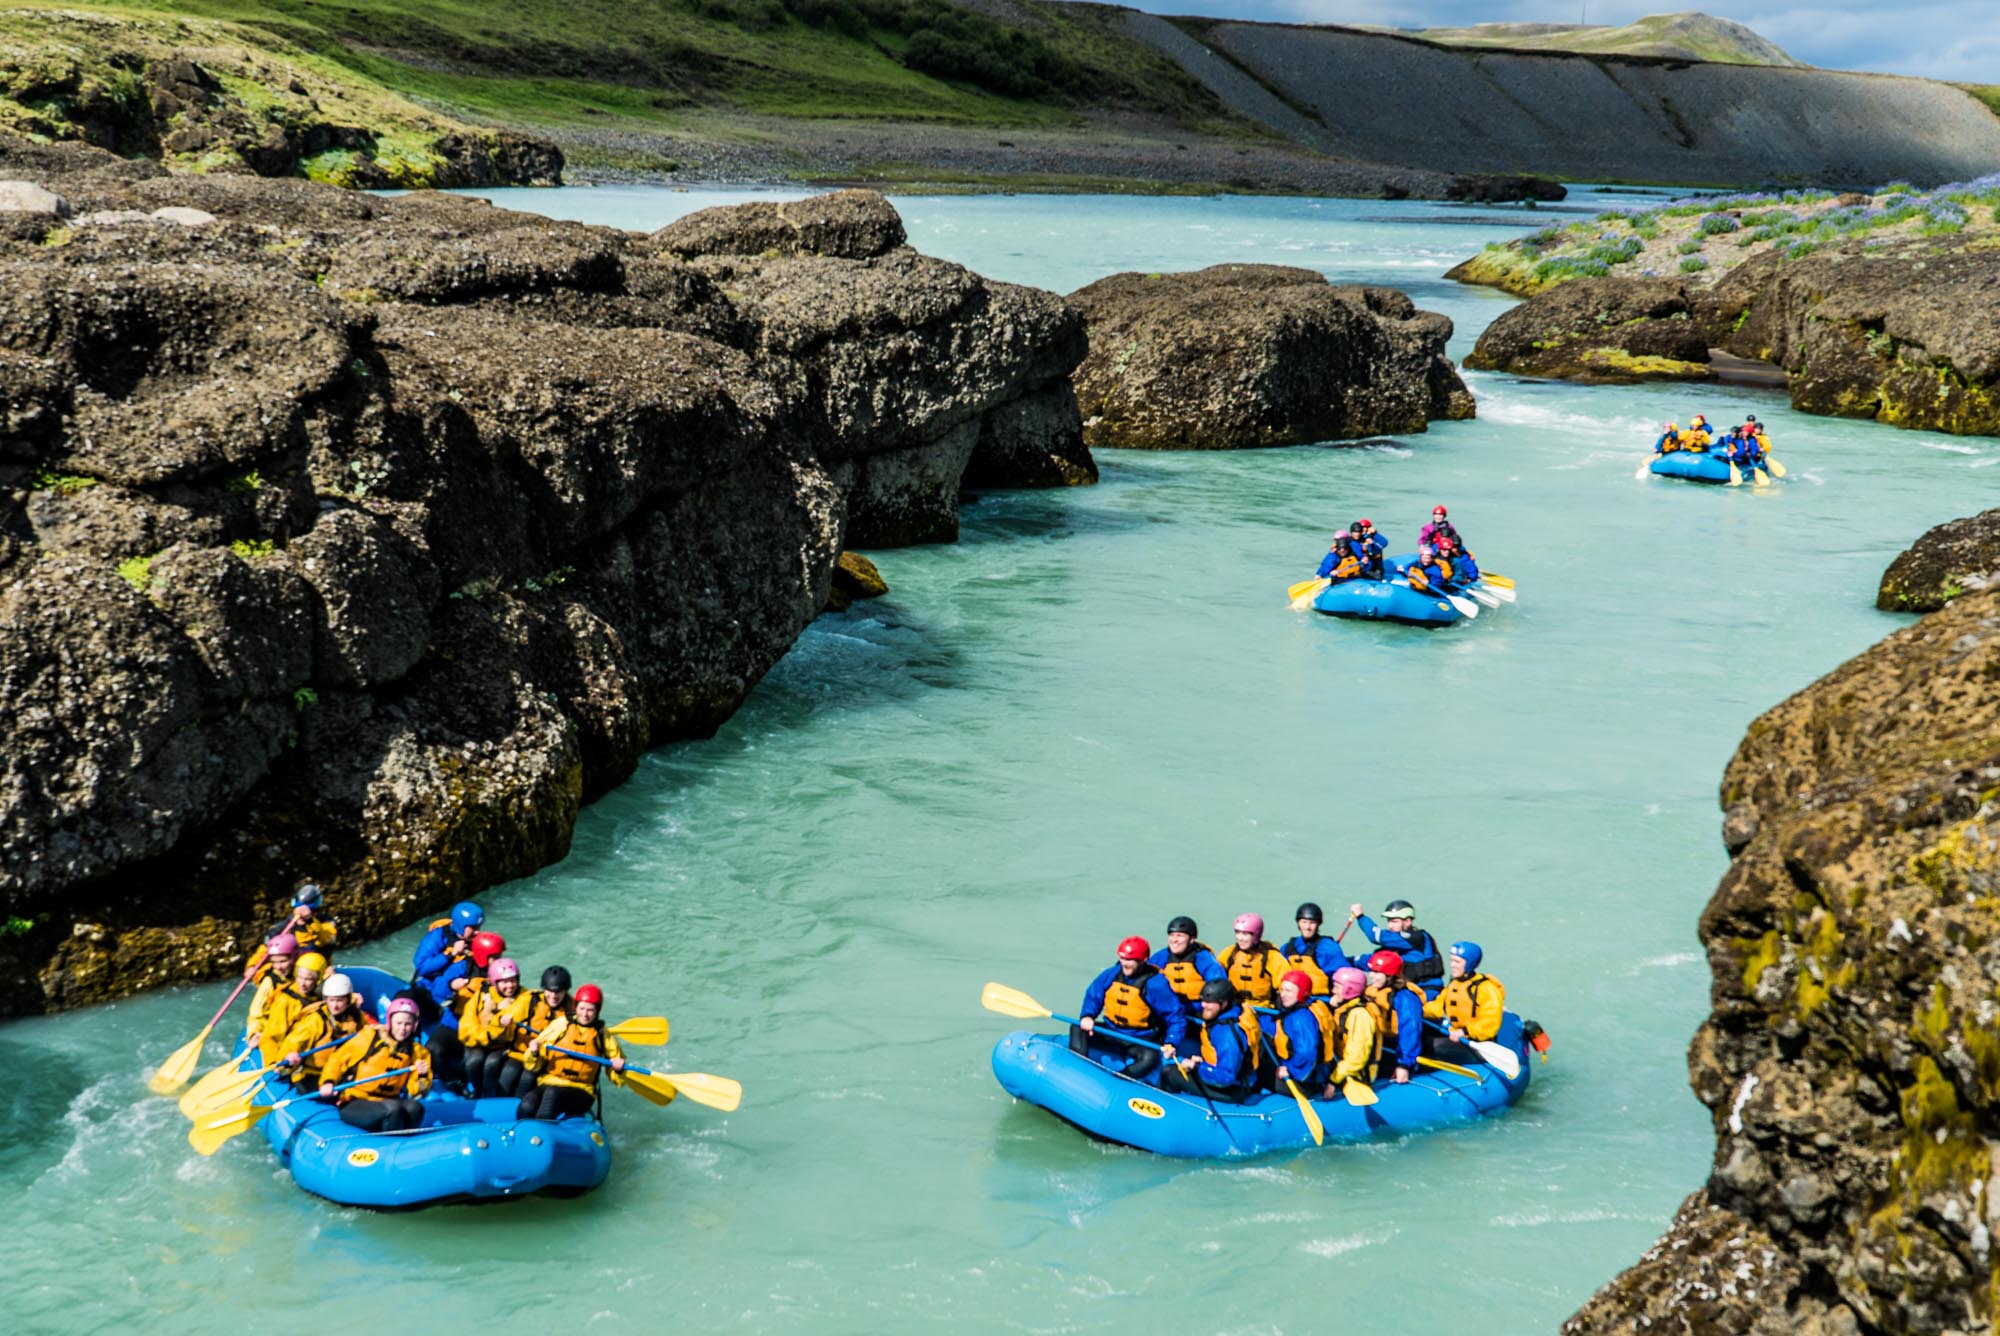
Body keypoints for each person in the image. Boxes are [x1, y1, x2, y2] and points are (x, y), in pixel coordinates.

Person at [1074, 936, 1186, 1080]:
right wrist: (1088, 1016)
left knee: (1149, 1057)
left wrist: (1172, 1041)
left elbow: (1176, 1017)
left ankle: (1119, 1080)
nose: (1124, 964)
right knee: (1077, 1028)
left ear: (1143, 960)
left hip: (1139, 1039)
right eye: (1122, 958)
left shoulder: (1155, 984)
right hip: (1111, 1033)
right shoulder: (1111, 974)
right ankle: (1077, 1069)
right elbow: (1093, 995)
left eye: (1130, 960)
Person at [320, 995, 433, 1133]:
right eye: (399, 1023)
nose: (403, 1029)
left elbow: (417, 1093)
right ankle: (389, 1146)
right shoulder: (369, 1037)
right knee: (393, 1110)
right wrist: (328, 1081)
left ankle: (405, 1145)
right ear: (390, 1022)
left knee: (415, 1108)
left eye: (407, 1024)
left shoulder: (418, 1052)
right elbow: (337, 1059)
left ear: (414, 1025)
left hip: (387, 1101)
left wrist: (422, 1076)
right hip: (355, 1101)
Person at [520, 983, 626, 1122]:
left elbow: (619, 1080)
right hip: (550, 1082)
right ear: (576, 1007)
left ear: (597, 1011)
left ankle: (542, 1136)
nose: (585, 1014)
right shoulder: (561, 1024)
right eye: (581, 1008)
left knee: (552, 1094)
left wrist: (618, 1070)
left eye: (590, 1010)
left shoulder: (602, 1035)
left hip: (582, 1091)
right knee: (528, 1103)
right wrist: (534, 1053)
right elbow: (532, 1065)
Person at [424, 929, 506, 1092]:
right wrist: (451, 987)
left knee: (475, 1059)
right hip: (455, 1024)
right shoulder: (461, 968)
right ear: (483, 956)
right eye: (495, 957)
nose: (499, 960)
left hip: (483, 1029)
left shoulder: (503, 972)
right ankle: (453, 1081)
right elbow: (437, 992)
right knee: (433, 1049)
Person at [1161, 980, 1259, 1102]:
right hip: (1232, 1076)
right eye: (1203, 1001)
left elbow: (1226, 1077)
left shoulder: (1226, 1034)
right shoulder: (1231, 1014)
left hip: (1232, 1088)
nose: (1203, 1005)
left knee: (1169, 1073)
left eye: (1209, 1002)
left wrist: (1197, 1067)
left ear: (1224, 1004)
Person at [277, 970, 368, 1087]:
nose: (334, 1005)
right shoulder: (315, 1020)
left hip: (340, 1070)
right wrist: (287, 1057)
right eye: (331, 1000)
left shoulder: (355, 1016)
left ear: (348, 1000)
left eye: (339, 1000)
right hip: (312, 1074)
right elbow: (294, 1042)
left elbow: (367, 1036)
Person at [459, 956, 533, 1098]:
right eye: (505, 982)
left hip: (503, 1046)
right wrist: (486, 1036)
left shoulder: (524, 997)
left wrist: (501, 1012)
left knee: (492, 1063)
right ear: (495, 983)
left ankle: (488, 1096)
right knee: (474, 1061)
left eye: (513, 981)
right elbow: (466, 1027)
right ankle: (477, 1091)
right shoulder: (482, 995)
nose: (510, 986)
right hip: (480, 1041)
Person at [1425, 941, 1507, 1065]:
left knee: (1432, 1046)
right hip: (1456, 1037)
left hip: (1477, 1043)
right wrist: (1416, 1010)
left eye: (1457, 962)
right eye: (1451, 961)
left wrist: (1464, 1032)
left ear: (1470, 964)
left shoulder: (1486, 988)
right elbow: (1437, 1007)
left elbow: (1490, 1022)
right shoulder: (1454, 984)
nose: (1452, 965)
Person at [1349, 900, 1446, 994]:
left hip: (1427, 989)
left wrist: (1361, 917)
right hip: (1407, 988)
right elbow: (1376, 959)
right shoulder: (1396, 942)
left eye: (1394, 921)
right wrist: (1349, 961)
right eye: (1389, 921)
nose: (1390, 926)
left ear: (1408, 921)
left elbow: (1376, 936)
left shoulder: (1413, 938)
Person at [1149, 917, 1224, 1030]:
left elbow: (1218, 985)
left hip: (1197, 1012)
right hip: (1171, 1011)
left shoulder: (1203, 958)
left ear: (1192, 939)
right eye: (1172, 935)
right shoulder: (1160, 957)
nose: (1174, 940)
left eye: (1180, 936)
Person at [1364, 950, 1426, 1084]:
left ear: (1390, 976)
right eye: (1372, 971)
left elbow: (1410, 1030)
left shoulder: (1405, 998)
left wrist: (1403, 1065)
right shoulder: (1372, 990)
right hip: (1380, 1045)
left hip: (1397, 1049)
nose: (1372, 976)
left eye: (1377, 973)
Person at [1216, 914, 1290, 1021]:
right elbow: (1216, 980)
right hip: (1235, 1009)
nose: (1240, 938)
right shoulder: (1228, 954)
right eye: (1237, 933)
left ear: (1256, 935)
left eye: (1245, 934)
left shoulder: (1272, 957)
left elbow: (1287, 984)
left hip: (1263, 1012)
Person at [1321, 967, 1381, 1098]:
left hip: (1356, 1073)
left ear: (1349, 990)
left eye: (1336, 987)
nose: (1332, 991)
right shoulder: (1344, 1009)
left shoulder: (1360, 1015)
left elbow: (1357, 1059)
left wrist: (1333, 1080)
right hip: (1341, 1067)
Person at [1270, 970, 1333, 1092]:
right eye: (1281, 990)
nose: (1283, 995)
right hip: (1306, 1071)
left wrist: (1289, 1070)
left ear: (1302, 993)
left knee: (1263, 1073)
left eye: (1288, 991)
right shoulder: (1299, 1010)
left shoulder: (1301, 1019)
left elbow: (1306, 1053)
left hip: (1305, 1079)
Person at [258, 951, 326, 1065]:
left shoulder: (321, 995)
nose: (302, 983)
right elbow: (271, 1037)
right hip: (288, 1054)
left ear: (318, 979)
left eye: (308, 979)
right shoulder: (285, 1000)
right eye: (299, 977)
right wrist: (274, 1063)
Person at [410, 901, 485, 1003]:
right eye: (473, 928)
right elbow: (422, 967)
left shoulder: (475, 941)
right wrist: (451, 954)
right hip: (429, 991)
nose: (478, 932)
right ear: (461, 925)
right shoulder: (437, 936)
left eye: (479, 927)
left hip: (458, 993)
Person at [1279, 903, 1349, 996]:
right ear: (1298, 923)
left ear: (1318, 924)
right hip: (1290, 999)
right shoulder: (1287, 948)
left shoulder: (1327, 948)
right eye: (1304, 922)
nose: (1307, 927)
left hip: (1318, 1000)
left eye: (1312, 923)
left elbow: (1344, 976)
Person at [243, 931, 299, 1038]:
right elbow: (256, 1013)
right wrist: (254, 1033)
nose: (278, 967)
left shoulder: (305, 973)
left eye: (282, 961)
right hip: (276, 1026)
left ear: (294, 957)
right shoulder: (269, 981)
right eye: (274, 962)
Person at [288, 883, 337, 954]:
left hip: (317, 958)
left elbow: (326, 940)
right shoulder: (290, 921)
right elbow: (272, 934)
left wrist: (309, 921)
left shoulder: (326, 920)